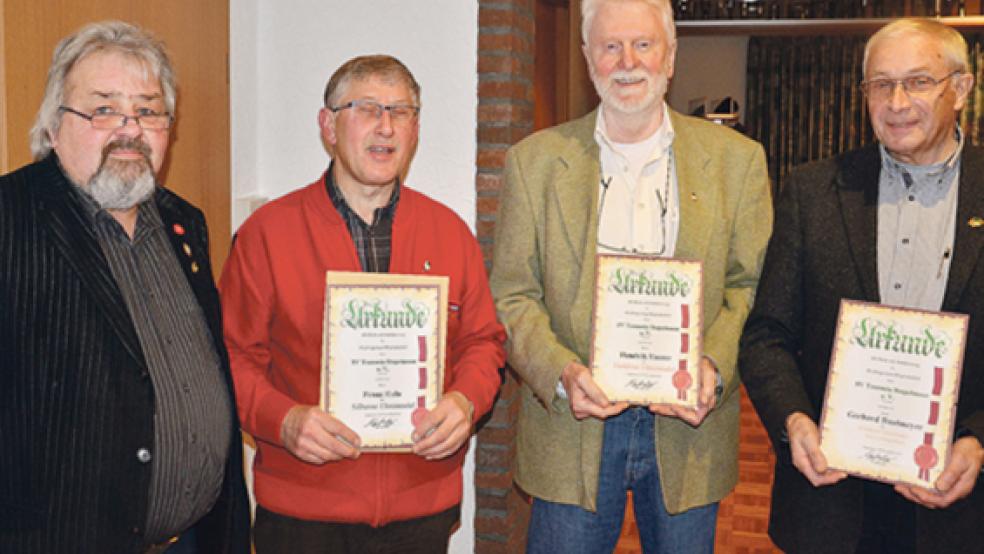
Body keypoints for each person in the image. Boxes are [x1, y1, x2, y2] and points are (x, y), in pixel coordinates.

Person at [488, 0, 772, 551]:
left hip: (688, 428)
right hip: (572, 425)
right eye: (610, 46)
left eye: (643, 44)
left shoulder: (738, 162)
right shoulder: (534, 162)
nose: (627, 62)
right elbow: (512, 293)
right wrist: (561, 373)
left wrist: (712, 365)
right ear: (588, 57)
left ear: (670, 56)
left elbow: (749, 287)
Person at [219, 54, 506, 553]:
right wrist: (282, 421)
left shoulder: (450, 233)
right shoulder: (267, 235)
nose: (386, 127)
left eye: (402, 111)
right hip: (304, 511)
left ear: (416, 130)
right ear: (328, 125)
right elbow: (230, 358)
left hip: (421, 507)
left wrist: (466, 401)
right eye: (368, 108)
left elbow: (484, 343)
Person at [0, 20, 250, 554]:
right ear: (52, 125)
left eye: (148, 110)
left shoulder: (186, 223)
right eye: (104, 108)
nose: (129, 128)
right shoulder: (10, 218)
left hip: (193, 539)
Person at [740, 18, 984, 554]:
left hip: (959, 508)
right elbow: (766, 336)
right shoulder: (812, 191)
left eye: (919, 81)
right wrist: (793, 421)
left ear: (961, 89)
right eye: (880, 83)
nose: (897, 101)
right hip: (832, 505)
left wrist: (978, 442)